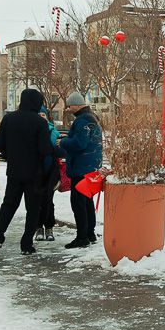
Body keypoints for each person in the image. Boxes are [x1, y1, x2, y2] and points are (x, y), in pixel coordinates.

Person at [0, 88, 53, 256]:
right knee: (33, 209)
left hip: (14, 171)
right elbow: (45, 149)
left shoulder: (8, 118)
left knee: (8, 205)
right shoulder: (40, 122)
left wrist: (11, 154)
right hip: (34, 173)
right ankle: (26, 244)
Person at [59, 92, 103, 249]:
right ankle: (90, 234)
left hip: (81, 167)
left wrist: (63, 142)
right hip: (91, 167)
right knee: (87, 201)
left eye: (70, 106)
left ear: (77, 105)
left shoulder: (81, 121)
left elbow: (79, 144)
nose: (68, 109)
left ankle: (82, 237)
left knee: (78, 203)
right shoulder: (93, 118)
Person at [35, 106, 66, 241]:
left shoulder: (53, 131)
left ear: (47, 117)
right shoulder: (31, 130)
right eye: (39, 115)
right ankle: (38, 227)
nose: (41, 117)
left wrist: (61, 144)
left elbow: (61, 151)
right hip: (35, 171)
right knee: (36, 201)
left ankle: (49, 227)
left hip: (50, 171)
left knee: (48, 200)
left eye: (43, 115)